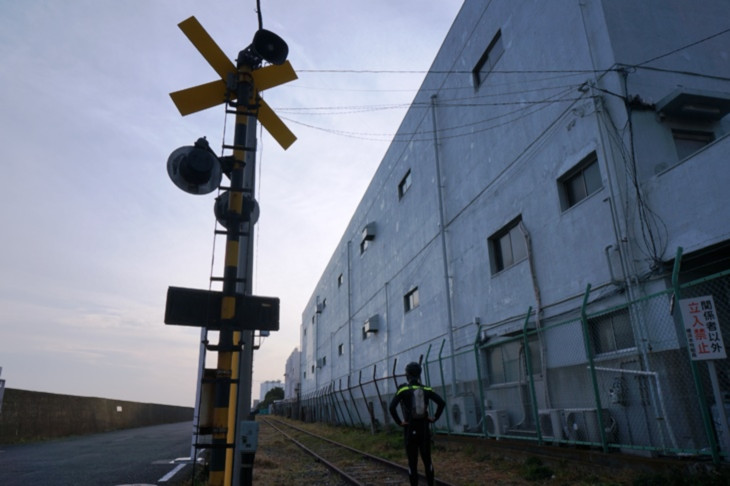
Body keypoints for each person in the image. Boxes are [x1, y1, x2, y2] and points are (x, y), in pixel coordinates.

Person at [389, 362, 446, 486]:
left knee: (412, 463)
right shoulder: (426, 389)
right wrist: (434, 417)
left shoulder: (403, 389)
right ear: (419, 374)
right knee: (427, 461)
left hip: (410, 429)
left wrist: (400, 422)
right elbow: (442, 403)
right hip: (424, 429)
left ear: (407, 375)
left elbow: (392, 407)